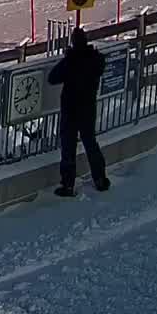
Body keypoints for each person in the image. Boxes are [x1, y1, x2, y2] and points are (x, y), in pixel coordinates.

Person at [48, 26, 111, 196]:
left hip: (71, 109)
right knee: (91, 143)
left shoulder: (71, 61)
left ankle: (68, 185)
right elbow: (99, 65)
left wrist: (69, 57)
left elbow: (52, 77)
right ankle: (100, 179)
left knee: (68, 147)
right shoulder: (95, 59)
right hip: (88, 107)